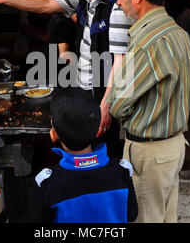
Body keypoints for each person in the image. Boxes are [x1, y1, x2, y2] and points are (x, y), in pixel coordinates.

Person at [0, 0, 134, 158]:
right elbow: (47, 5)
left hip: (102, 99)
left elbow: (120, 63)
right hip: (82, 94)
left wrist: (105, 107)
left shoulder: (118, 4)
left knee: (100, 157)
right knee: (79, 157)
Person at [107, 0, 190, 223]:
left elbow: (118, 104)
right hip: (174, 146)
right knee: (166, 216)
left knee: (146, 218)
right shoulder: (179, 33)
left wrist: (128, 110)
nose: (120, 2)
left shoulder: (147, 41)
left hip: (151, 153)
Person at [26, 87, 138, 223]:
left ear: (53, 134)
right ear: (98, 129)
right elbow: (131, 214)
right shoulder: (122, 171)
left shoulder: (47, 184)